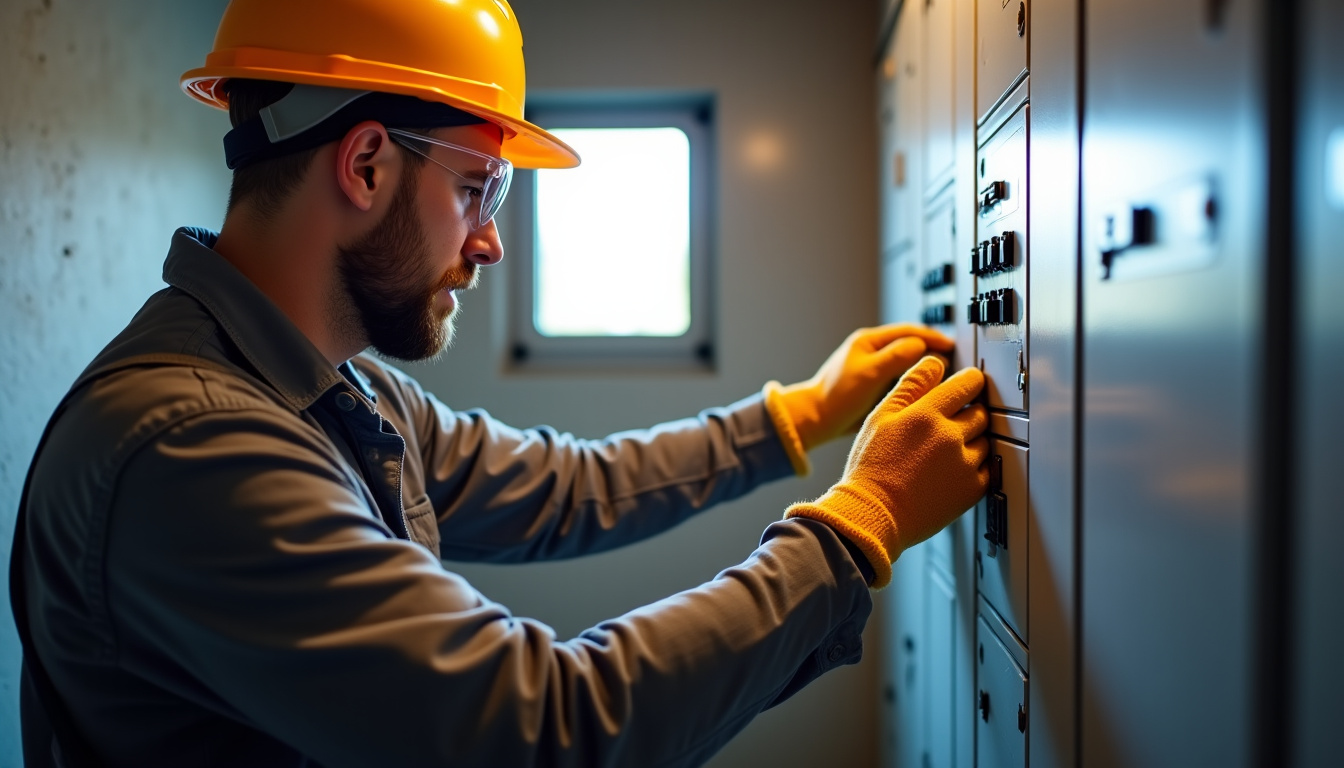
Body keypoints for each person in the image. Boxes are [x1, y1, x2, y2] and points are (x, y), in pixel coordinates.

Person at [9, 1, 990, 766]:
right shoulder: (194, 448)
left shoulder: (334, 390)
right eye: (477, 188)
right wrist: (853, 528)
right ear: (365, 164)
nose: (489, 243)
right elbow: (543, 731)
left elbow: (570, 488)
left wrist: (799, 415)